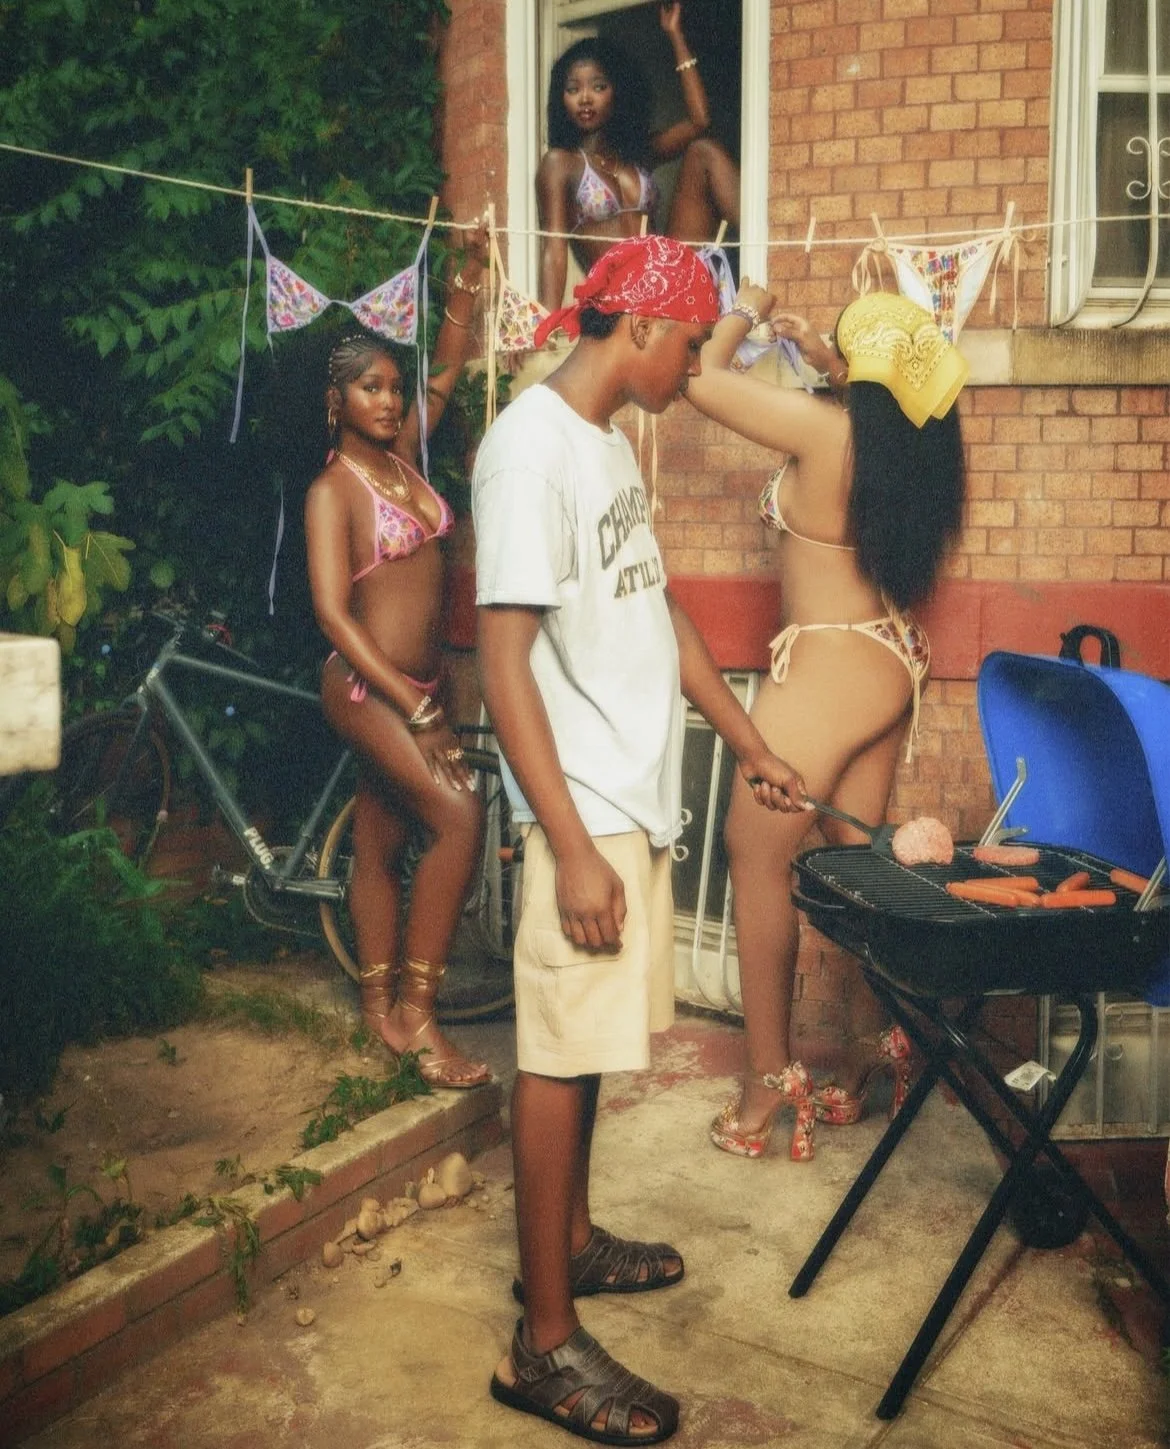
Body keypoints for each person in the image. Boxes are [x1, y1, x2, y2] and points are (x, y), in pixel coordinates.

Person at [474, 234, 807, 1445]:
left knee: (594, 1042)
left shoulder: (607, 442)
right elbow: (503, 665)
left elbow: (656, 610)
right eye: (689, 346)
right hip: (581, 809)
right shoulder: (526, 450)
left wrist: (752, 740)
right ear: (639, 331)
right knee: (559, 1054)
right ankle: (543, 1344)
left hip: (627, 796)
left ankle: (566, 1245)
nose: (692, 373)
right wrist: (563, 842)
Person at [684, 287, 968, 1161]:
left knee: (756, 856)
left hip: (829, 668)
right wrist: (825, 354)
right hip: (885, 659)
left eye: (842, 347)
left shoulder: (825, 430)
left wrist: (746, 305)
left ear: (855, 372)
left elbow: (701, 376)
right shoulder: (898, 441)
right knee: (849, 873)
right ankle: (866, 1060)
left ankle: (768, 1085)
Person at [303, 226, 493, 1090]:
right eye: (367, 388)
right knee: (458, 814)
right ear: (337, 400)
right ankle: (419, 1014)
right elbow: (334, 616)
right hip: (362, 685)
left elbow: (445, 375)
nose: (387, 400)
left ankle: (379, 1005)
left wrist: (467, 287)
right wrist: (412, 706)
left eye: (391, 386)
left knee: (378, 838)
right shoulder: (333, 490)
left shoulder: (406, 462)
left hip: (419, 686)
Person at [536, 1, 740, 314]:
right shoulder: (560, 164)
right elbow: (553, 248)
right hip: (621, 298)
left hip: (666, 278)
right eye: (573, 89)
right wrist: (545, 321)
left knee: (705, 152)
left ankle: (772, 257)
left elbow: (699, 121)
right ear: (561, 99)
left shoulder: (636, 153)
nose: (585, 98)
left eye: (598, 86)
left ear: (617, 93)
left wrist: (675, 36)